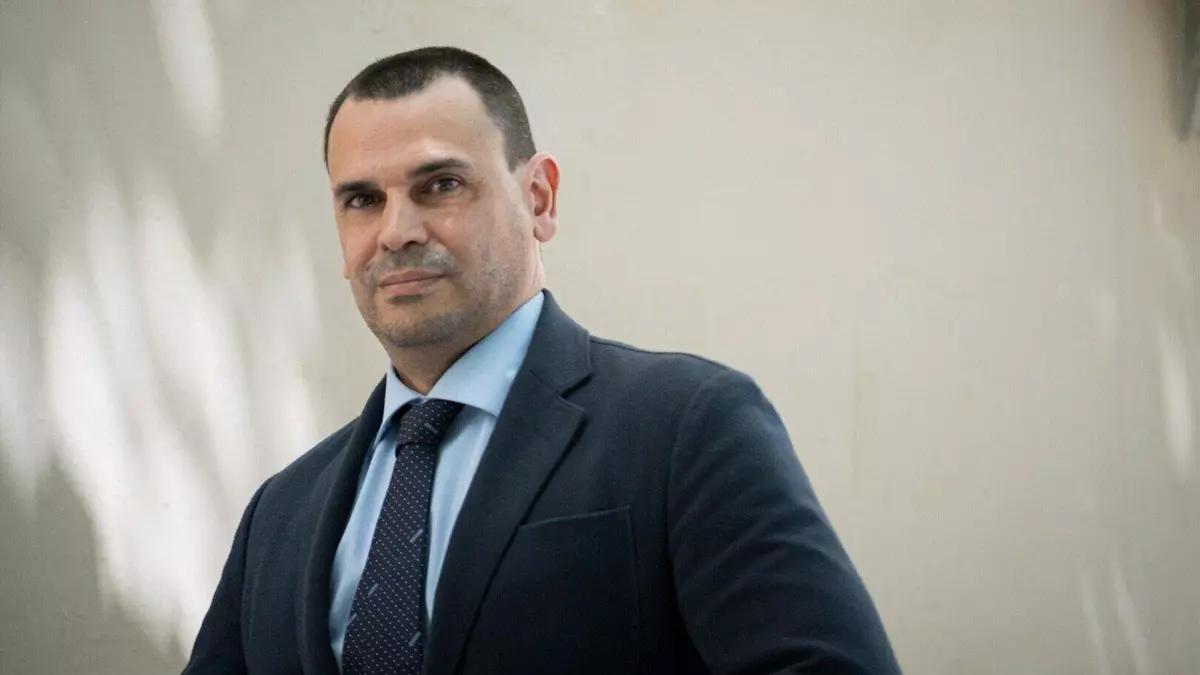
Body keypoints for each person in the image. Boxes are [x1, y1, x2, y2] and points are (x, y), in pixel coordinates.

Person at [183, 46, 901, 675]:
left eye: (441, 185)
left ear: (539, 198)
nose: (396, 231)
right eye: (363, 200)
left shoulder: (686, 425)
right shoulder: (280, 512)